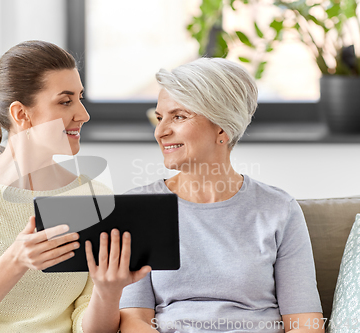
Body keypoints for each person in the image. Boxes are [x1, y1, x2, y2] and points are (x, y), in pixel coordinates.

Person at [0, 40, 149, 333]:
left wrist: (108, 291)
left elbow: (86, 328)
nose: (83, 114)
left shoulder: (95, 196)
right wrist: (16, 260)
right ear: (20, 114)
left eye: (80, 98)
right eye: (65, 101)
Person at [118, 58, 325, 333]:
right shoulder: (140, 208)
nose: (160, 131)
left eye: (178, 116)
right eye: (159, 118)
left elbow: (306, 324)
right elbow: (135, 320)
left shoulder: (279, 209)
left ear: (222, 127)